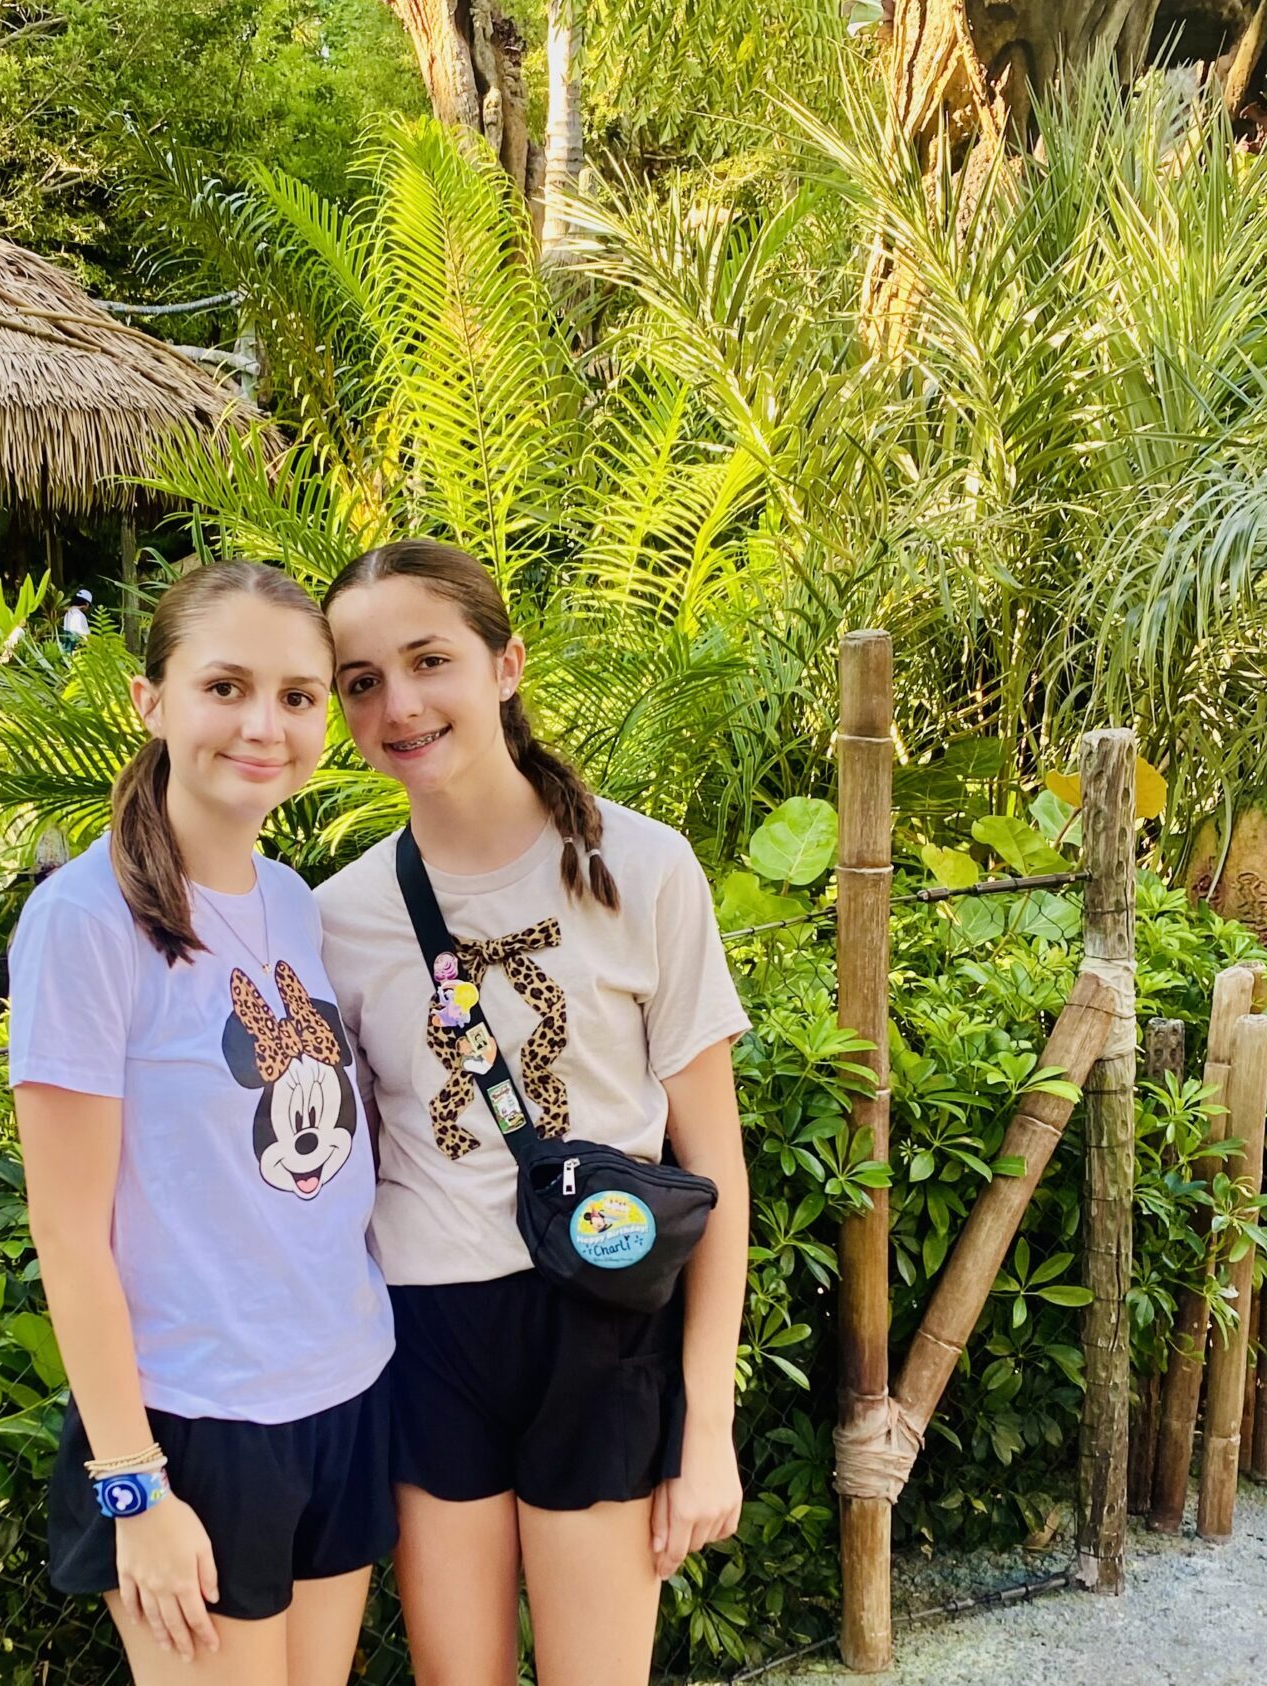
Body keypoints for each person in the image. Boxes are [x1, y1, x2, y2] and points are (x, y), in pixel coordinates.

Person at [314, 539, 750, 1686]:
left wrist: (707, 1425)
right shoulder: (338, 916)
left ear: (505, 664)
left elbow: (717, 1162)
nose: (399, 703)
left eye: (428, 660)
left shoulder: (644, 866)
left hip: (601, 1321)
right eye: (363, 680)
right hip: (427, 1333)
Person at [8, 561, 394, 1686]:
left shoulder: (289, 901)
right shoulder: (84, 922)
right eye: (225, 685)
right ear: (152, 701)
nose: (263, 724)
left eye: (297, 694)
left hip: (345, 1386)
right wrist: (134, 1483)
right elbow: (68, 1233)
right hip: (196, 1424)